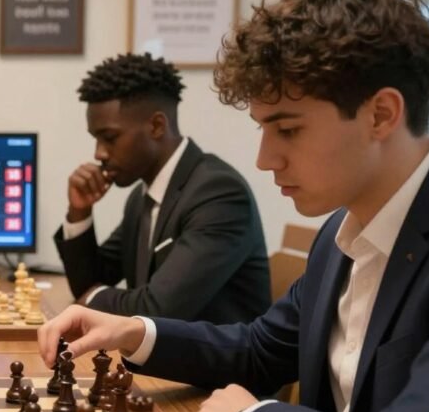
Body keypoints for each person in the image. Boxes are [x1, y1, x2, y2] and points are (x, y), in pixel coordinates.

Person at [38, 0, 429, 412]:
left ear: (381, 114)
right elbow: (259, 351)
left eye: (287, 129)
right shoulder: (344, 233)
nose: (265, 160)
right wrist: (134, 332)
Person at [55, 53, 270, 323]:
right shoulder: (142, 197)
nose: (99, 153)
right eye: (96, 139)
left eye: (109, 138)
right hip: (166, 359)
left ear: (156, 126)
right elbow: (93, 281)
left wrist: (92, 298)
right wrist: (79, 211)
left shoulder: (218, 193)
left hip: (214, 363)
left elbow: (157, 310)